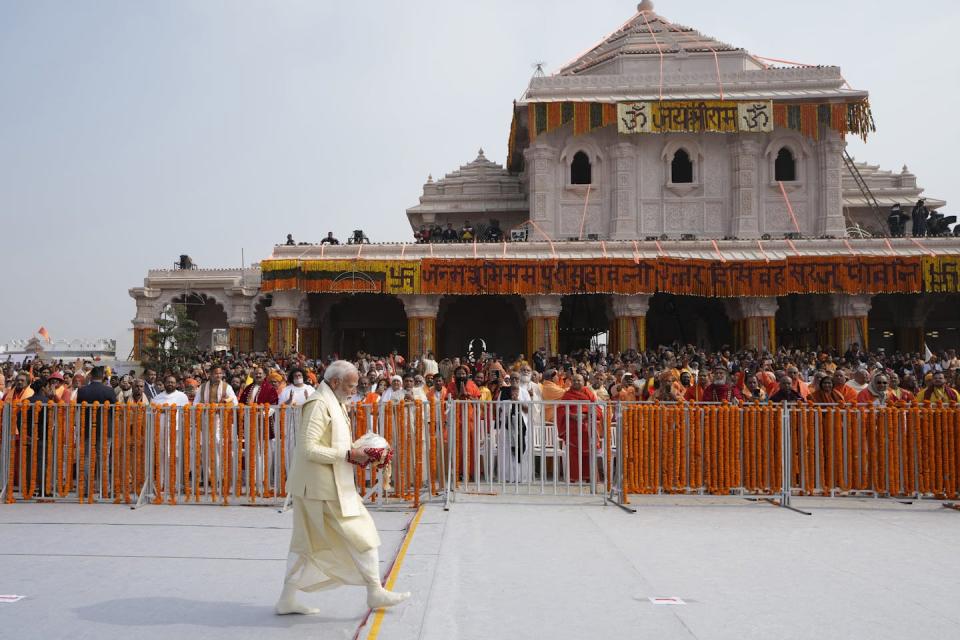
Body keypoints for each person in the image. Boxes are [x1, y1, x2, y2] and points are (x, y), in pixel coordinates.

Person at [276, 360, 410, 614]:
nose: (354, 390)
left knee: (304, 545)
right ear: (335, 382)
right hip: (320, 487)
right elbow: (309, 449)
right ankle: (374, 590)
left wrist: (362, 454)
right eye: (351, 386)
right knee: (363, 534)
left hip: (324, 484)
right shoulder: (318, 404)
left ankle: (287, 599)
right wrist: (350, 454)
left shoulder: (334, 401)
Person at [554, 374, 599, 483]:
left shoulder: (589, 393)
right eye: (574, 380)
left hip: (587, 428)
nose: (576, 382)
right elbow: (560, 410)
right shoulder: (567, 394)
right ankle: (573, 478)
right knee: (573, 454)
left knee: (589, 453)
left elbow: (597, 408)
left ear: (583, 382)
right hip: (572, 428)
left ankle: (590, 478)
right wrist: (570, 415)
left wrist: (587, 415)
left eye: (579, 380)